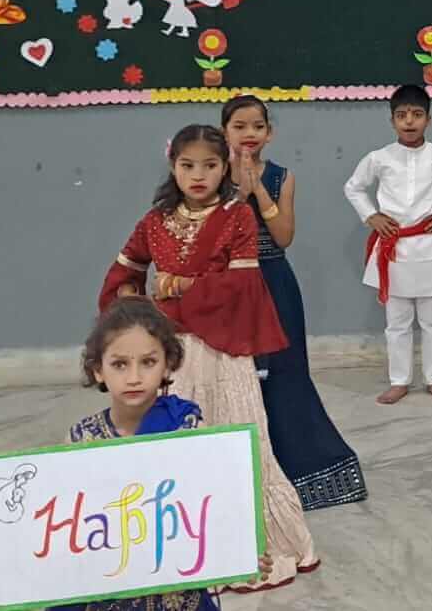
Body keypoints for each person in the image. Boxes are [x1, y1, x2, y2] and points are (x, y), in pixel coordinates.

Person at [98, 124, 318, 591]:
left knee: (234, 442)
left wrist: (178, 287)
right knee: (177, 448)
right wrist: (133, 302)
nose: (198, 175)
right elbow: (125, 271)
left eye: (210, 166)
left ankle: (247, 549)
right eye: (187, 165)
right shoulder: (155, 220)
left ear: (225, 168)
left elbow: (242, 286)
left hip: (222, 350)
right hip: (169, 356)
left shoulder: (238, 216)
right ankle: (180, 553)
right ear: (172, 166)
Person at [0, 298, 272, 610]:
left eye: (148, 362)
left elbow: (211, 511)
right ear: (98, 370)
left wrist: (240, 554)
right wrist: (3, 585)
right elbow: (56, 533)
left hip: (174, 595)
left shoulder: (187, 428)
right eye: (120, 364)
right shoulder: (81, 440)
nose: (134, 377)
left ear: (167, 365)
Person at [221, 95, 367, 510]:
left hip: (274, 282)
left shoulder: (282, 177)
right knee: (234, 377)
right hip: (229, 286)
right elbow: (215, 232)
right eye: (239, 126)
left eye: (257, 126)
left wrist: (258, 192)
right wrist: (237, 192)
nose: (249, 134)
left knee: (286, 374)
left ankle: (302, 474)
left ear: (270, 133)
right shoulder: (211, 173)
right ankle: (236, 477)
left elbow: (283, 236)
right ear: (224, 132)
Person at [343, 84, 432, 404]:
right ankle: (399, 380)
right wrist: (371, 216)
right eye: (402, 115)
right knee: (397, 322)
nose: (409, 121)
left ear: (429, 120)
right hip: (394, 248)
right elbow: (353, 188)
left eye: (417, 115)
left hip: (431, 244)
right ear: (392, 120)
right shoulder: (379, 158)